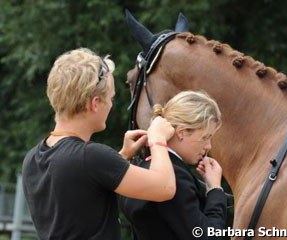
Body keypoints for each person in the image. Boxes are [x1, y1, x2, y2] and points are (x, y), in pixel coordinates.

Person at [22, 48, 176, 240]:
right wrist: (158, 139)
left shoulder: (32, 158)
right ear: (95, 103)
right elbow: (164, 188)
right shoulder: (90, 157)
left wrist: (121, 157)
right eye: (110, 98)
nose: (111, 105)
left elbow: (82, 183)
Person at [120, 91, 227, 240]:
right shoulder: (176, 177)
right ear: (181, 132)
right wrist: (215, 191)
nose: (209, 146)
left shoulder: (142, 166)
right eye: (205, 137)